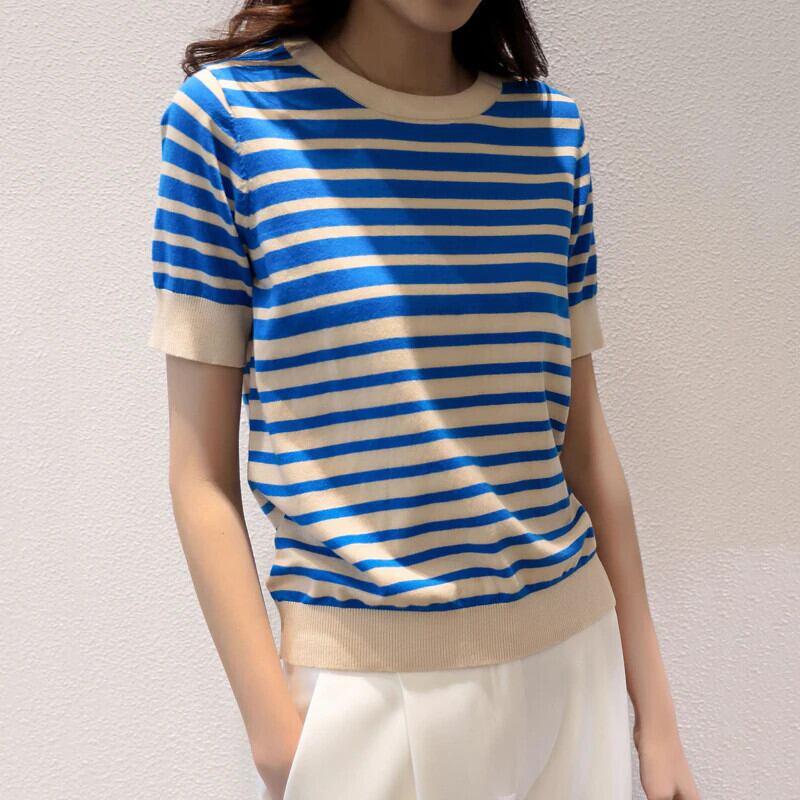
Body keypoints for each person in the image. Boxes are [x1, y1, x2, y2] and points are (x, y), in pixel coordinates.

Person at [147, 1, 701, 798]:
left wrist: (657, 716)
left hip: (572, 672)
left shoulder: (550, 135)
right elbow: (198, 474)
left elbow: (584, 447)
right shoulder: (228, 121)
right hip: (364, 694)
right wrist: (276, 736)